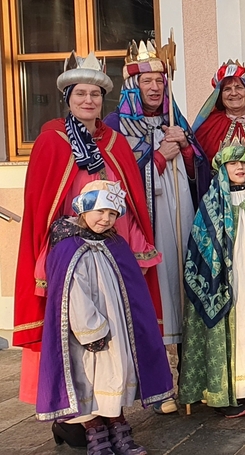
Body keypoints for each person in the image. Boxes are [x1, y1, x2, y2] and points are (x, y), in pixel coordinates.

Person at [14, 52, 162, 418]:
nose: (88, 100)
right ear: (68, 97)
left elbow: (131, 199)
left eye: (95, 94)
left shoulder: (116, 143)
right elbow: (42, 207)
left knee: (115, 327)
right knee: (75, 328)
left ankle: (111, 411)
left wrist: (136, 244)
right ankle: (75, 416)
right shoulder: (51, 141)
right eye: (80, 93)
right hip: (69, 251)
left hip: (113, 247)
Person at [105, 43, 210, 417]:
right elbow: (118, 178)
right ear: (133, 85)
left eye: (160, 81)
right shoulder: (117, 126)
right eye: (147, 81)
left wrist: (186, 150)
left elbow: (200, 173)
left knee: (184, 291)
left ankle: (192, 381)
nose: (154, 88)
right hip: (145, 225)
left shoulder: (175, 120)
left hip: (182, 219)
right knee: (156, 299)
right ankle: (159, 387)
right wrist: (160, 158)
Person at [38, 181, 174, 455]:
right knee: (88, 381)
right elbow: (73, 295)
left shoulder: (115, 244)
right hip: (85, 335)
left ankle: (119, 428)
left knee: (113, 377)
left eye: (112, 213)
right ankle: (95, 434)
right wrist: (91, 330)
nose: (106, 219)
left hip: (116, 329)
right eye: (100, 211)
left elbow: (131, 288)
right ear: (83, 209)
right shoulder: (66, 247)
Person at [178, 140, 245, 418]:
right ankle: (224, 394)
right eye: (233, 163)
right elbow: (200, 242)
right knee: (230, 328)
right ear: (223, 168)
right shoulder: (213, 199)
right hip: (223, 277)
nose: (239, 168)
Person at [191, 60, 245, 163]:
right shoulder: (208, 125)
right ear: (220, 95)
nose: (234, 93)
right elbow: (196, 162)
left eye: (239, 87)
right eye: (227, 89)